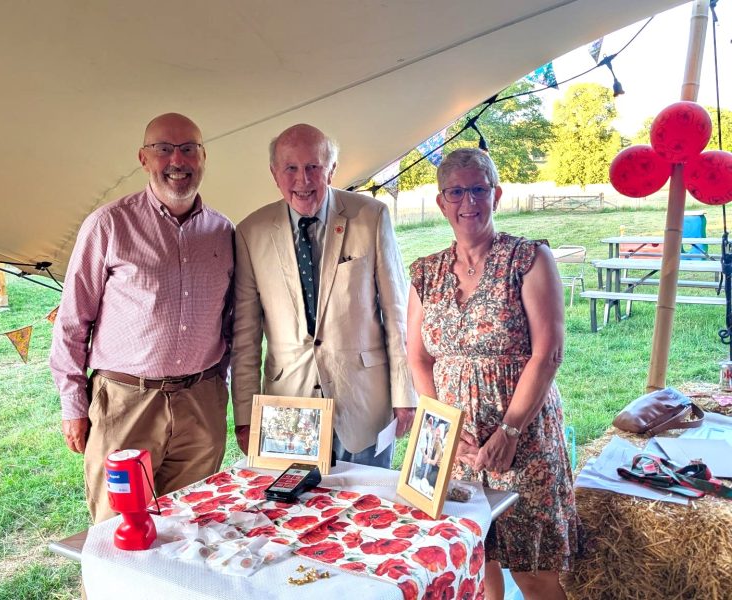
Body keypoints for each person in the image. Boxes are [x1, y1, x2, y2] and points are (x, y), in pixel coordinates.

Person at [407, 148, 581, 600]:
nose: (469, 202)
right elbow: (418, 359)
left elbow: (549, 353)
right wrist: (445, 429)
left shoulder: (528, 258)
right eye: (456, 192)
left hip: (522, 443)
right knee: (477, 561)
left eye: (478, 189)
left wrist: (510, 430)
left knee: (533, 570)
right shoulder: (425, 273)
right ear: (441, 201)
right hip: (456, 448)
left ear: (496, 194)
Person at [50, 113, 236, 523]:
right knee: (120, 528)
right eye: (163, 149)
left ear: (203, 157)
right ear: (143, 158)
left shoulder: (223, 232)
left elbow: (231, 323)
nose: (177, 160)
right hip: (125, 403)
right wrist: (73, 404)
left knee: (194, 526)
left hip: (201, 404)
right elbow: (72, 321)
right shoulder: (109, 225)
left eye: (189, 148)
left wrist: (218, 389)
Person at [231, 123, 416, 468]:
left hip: (364, 404)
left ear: (331, 169)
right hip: (287, 408)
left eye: (313, 167)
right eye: (291, 168)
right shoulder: (250, 232)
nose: (303, 180)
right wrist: (244, 415)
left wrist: (405, 393)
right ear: (275, 173)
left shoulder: (370, 216)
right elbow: (245, 336)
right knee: (293, 513)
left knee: (365, 511)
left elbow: (396, 311)